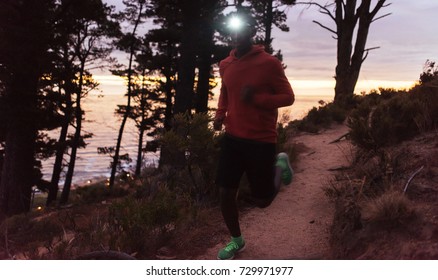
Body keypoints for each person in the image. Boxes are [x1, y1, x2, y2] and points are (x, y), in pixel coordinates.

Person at [213, 11, 295, 260]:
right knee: (226, 192)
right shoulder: (225, 64)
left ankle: (280, 164)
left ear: (251, 32)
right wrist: (220, 115)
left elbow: (288, 97)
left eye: (241, 30)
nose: (236, 36)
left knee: (262, 201)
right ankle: (237, 241)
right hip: (233, 137)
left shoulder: (269, 63)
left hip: (260, 139)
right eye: (232, 31)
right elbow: (225, 94)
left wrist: (257, 99)